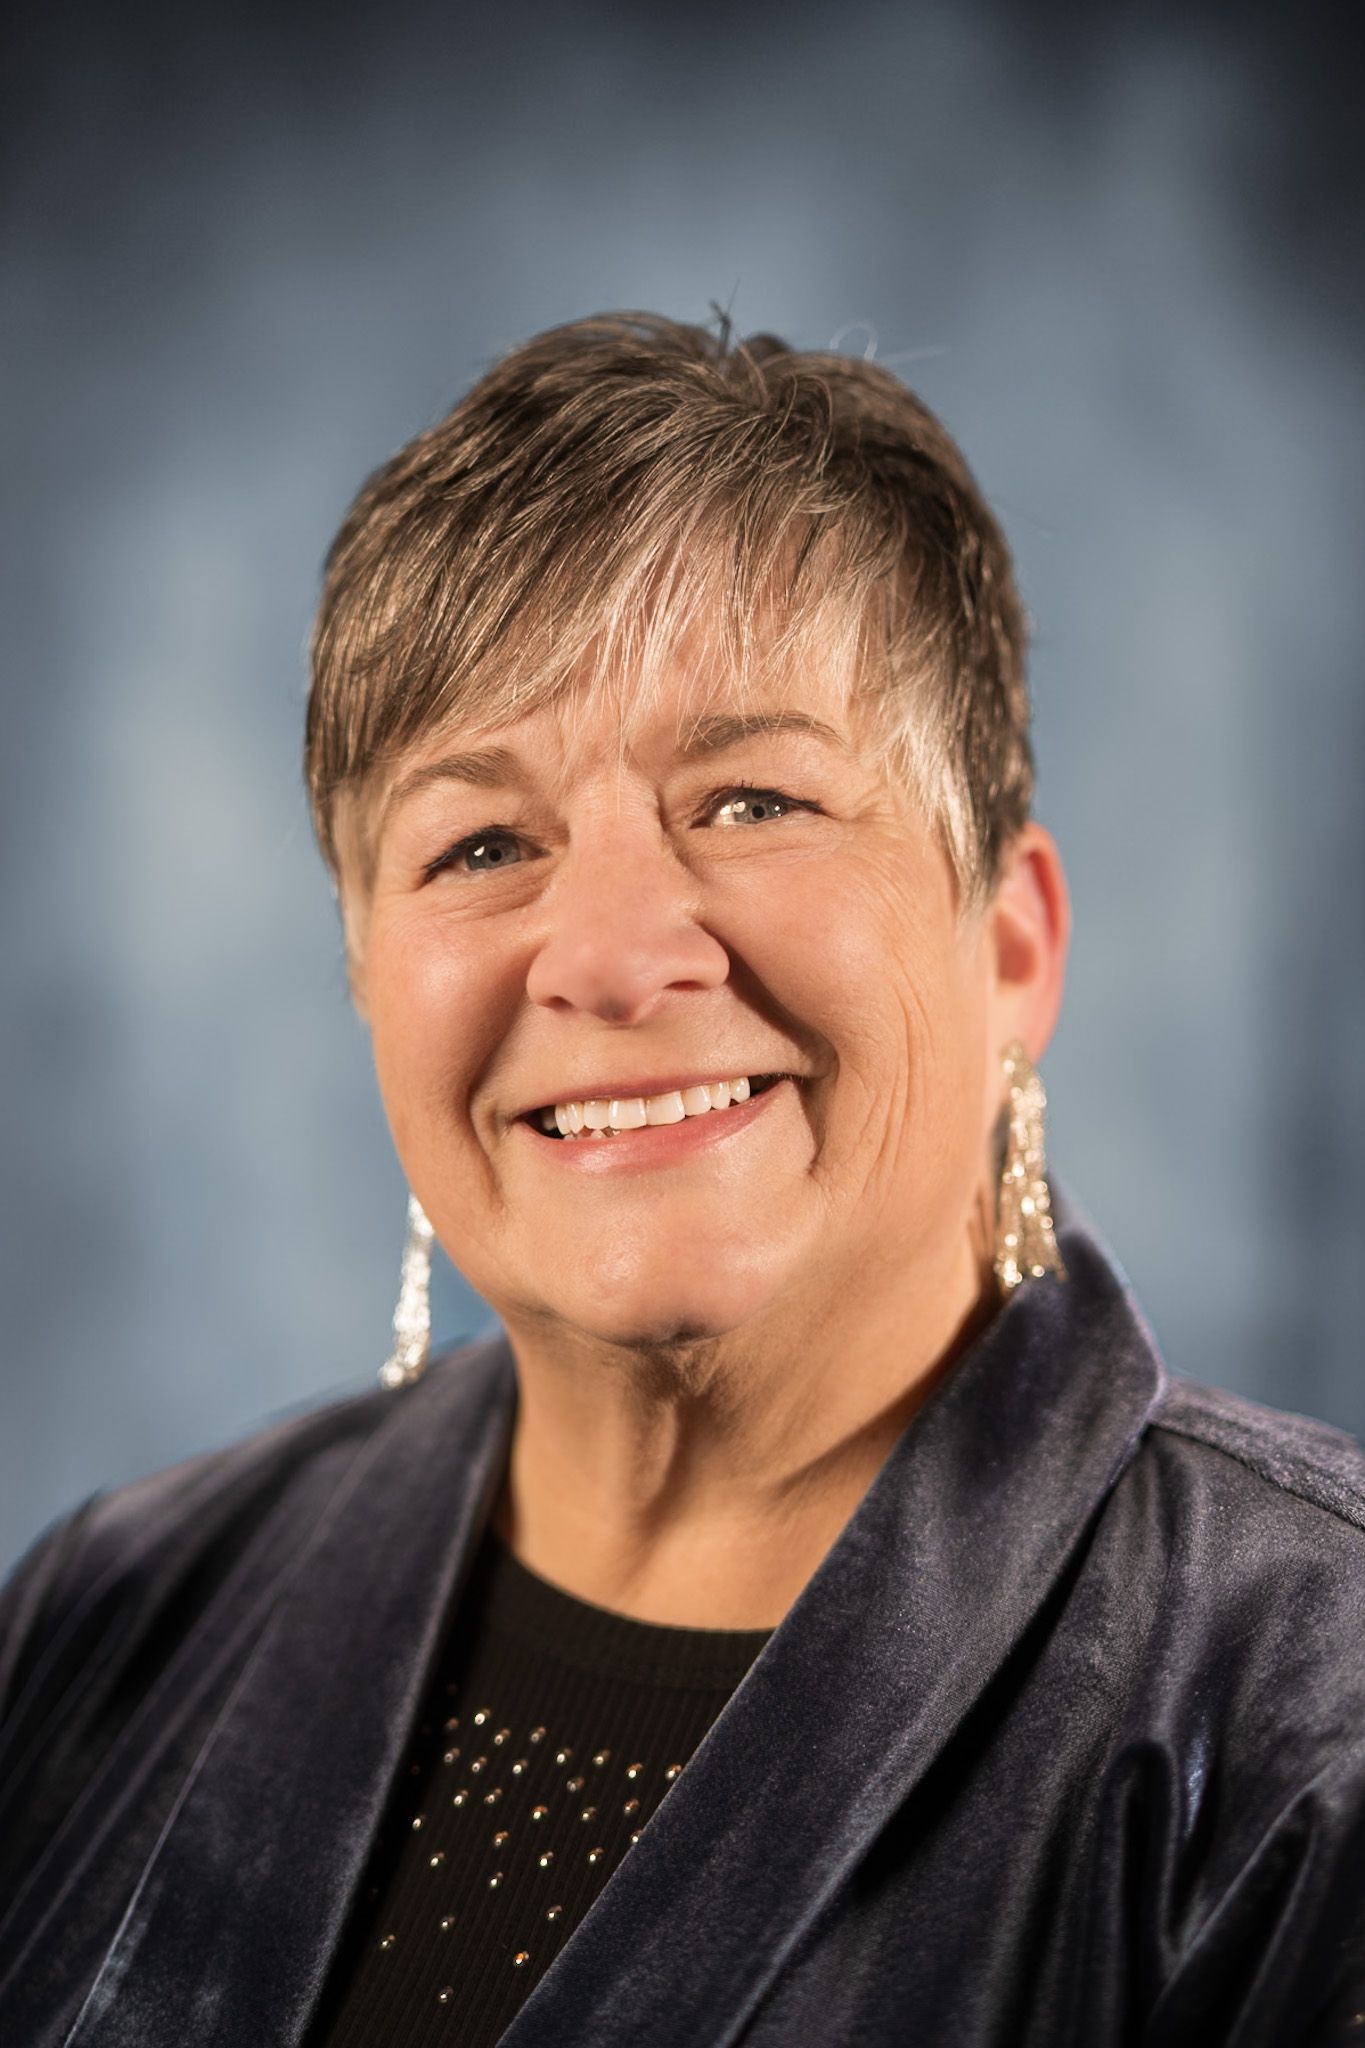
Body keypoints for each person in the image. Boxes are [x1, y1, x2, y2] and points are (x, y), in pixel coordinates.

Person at [1, 313, 1362, 2048]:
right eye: (480, 843)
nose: (609, 955)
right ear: (364, 982)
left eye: (751, 800)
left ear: (1009, 947)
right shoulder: (108, 1619)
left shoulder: (1316, 1709)